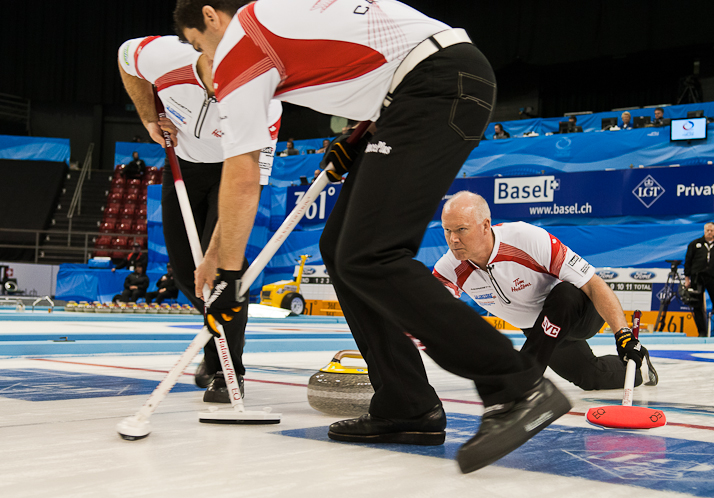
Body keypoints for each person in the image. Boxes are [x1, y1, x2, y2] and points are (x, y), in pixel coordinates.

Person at [176, 0, 571, 474]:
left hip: (435, 85)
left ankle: (517, 387)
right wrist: (362, 130)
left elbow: (241, 174)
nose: (207, 63)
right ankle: (407, 404)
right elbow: (382, 45)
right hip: (421, 86)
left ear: (211, 16)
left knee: (371, 253)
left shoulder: (241, 43)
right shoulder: (276, 18)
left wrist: (228, 278)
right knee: (342, 250)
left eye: (200, 46)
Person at [118, 33, 282, 402]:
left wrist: (213, 257)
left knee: (224, 272)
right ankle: (215, 348)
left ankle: (228, 372)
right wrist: (149, 119)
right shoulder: (165, 57)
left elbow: (249, 184)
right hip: (183, 165)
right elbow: (125, 58)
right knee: (184, 274)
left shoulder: (265, 98)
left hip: (232, 174)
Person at [433, 191, 655, 390]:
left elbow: (592, 283)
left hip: (579, 312)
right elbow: (432, 313)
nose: (453, 240)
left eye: (461, 229)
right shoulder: (448, 269)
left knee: (564, 294)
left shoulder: (525, 239)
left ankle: (524, 377)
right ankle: (641, 370)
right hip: (540, 330)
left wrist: (623, 336)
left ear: (484, 225)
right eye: (447, 230)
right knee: (591, 377)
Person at [684, 222, 714, 337]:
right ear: (704, 231)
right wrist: (687, 278)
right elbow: (688, 262)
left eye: (711, 230)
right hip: (697, 278)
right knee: (697, 306)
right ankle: (702, 332)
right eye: (707, 230)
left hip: (712, 278)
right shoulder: (695, 244)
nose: (709, 232)